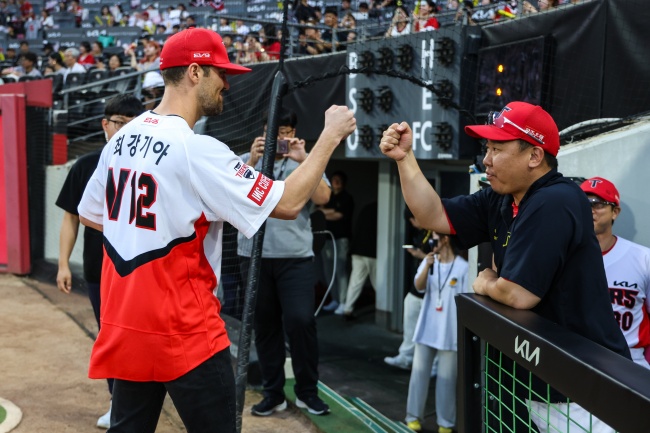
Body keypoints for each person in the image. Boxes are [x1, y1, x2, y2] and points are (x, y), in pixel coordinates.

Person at [77, 27, 356, 432]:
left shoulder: (122, 138)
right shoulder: (197, 149)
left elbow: (92, 216)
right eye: (219, 72)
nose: (227, 82)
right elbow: (289, 202)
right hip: (184, 329)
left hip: (125, 323)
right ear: (194, 72)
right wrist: (329, 137)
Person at [379, 101, 630, 433]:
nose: (486, 159)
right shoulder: (501, 197)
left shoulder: (556, 199)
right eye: (487, 147)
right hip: (535, 379)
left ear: (534, 156)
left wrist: (485, 283)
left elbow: (517, 295)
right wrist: (404, 159)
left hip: (582, 389)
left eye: (497, 148)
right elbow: (432, 215)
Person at [55, 94, 145, 429]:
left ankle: (140, 401)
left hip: (139, 268)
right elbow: (71, 219)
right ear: (105, 124)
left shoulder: (147, 163)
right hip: (98, 270)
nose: (125, 130)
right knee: (109, 338)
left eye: (132, 123)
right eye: (119, 123)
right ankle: (118, 402)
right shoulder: (86, 165)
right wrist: (64, 264)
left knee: (141, 337)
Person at [237, 108, 334, 417]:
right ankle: (273, 393)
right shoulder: (243, 160)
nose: (280, 138)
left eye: (286, 131)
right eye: (273, 132)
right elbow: (227, 194)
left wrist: (303, 159)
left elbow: (323, 198)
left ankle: (307, 392)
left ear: (294, 133)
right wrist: (252, 160)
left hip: (295, 258)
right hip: (252, 257)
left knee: (301, 321)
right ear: (262, 133)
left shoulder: (305, 163)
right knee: (265, 328)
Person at [580, 177, 650, 370]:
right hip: (578, 357)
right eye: (585, 203)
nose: (591, 209)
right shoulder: (562, 256)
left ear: (615, 212)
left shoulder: (643, 258)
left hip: (630, 360)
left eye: (599, 203)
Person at [404, 233, 470, 433]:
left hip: (449, 331)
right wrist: (427, 264)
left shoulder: (463, 267)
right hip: (427, 328)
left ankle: (446, 423)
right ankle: (413, 417)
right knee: (419, 374)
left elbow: (466, 299)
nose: (431, 243)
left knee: (447, 380)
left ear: (445, 240)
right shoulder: (429, 261)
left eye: (434, 238)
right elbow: (418, 286)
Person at [318, 170, 354, 313]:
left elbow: (339, 215)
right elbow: (317, 211)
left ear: (343, 183)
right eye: (334, 179)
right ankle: (335, 299)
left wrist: (325, 213)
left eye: (339, 180)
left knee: (340, 270)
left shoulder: (347, 198)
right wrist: (328, 212)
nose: (336, 182)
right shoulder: (327, 197)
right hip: (326, 238)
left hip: (341, 239)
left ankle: (344, 302)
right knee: (328, 270)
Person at [340, 201, 377, 319]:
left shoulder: (366, 208)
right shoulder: (382, 209)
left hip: (357, 249)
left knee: (355, 281)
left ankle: (347, 309)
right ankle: (385, 309)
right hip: (372, 251)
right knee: (378, 282)